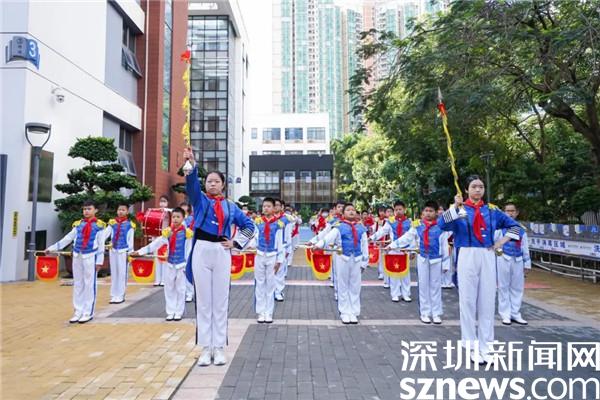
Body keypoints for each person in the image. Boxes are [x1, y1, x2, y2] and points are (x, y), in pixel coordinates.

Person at [183, 148, 255, 367]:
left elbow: (249, 226)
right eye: (209, 181)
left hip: (222, 251)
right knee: (204, 301)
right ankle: (206, 348)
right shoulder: (199, 201)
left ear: (223, 184)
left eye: (216, 181)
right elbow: (191, 185)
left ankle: (220, 347)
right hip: (201, 250)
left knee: (221, 301)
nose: (212, 184)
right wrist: (192, 165)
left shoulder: (231, 206)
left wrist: (236, 243)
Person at [438, 175, 520, 364]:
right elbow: (442, 225)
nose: (478, 189)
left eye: (481, 186)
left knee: (487, 301)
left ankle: (487, 346)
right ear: (466, 189)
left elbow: (515, 227)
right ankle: (471, 345)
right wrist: (454, 206)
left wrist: (500, 242)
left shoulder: (491, 211)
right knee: (467, 301)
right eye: (474, 186)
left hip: (487, 253)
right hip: (466, 254)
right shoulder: (459, 210)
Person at [388, 201, 450, 324]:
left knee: (436, 287)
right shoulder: (417, 226)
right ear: (422, 213)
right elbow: (406, 237)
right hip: (422, 258)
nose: (428, 213)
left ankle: (436, 313)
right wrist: (392, 245)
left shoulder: (440, 227)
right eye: (426, 211)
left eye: (431, 211)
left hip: (436, 260)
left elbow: (444, 246)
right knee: (423, 286)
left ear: (436, 213)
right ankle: (425, 313)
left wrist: (446, 264)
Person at [46, 200, 107, 324]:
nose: (86, 211)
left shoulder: (100, 226)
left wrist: (99, 261)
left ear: (95, 210)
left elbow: (101, 245)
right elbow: (67, 239)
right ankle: (78, 311)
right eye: (84, 209)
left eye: (89, 209)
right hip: (77, 255)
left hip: (90, 256)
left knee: (89, 284)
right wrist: (52, 248)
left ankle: (88, 312)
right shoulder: (78, 225)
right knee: (78, 284)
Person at [131, 207, 193, 321]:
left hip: (182, 265)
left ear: (183, 218)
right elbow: (155, 244)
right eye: (173, 217)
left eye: (178, 217)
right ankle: (170, 311)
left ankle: (179, 312)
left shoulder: (187, 234)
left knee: (181, 289)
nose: (175, 219)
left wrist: (188, 266)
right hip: (169, 264)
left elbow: (190, 251)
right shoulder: (167, 233)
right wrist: (140, 252)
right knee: (169, 288)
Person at [314, 203, 368, 324]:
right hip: (343, 258)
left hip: (357, 259)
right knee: (342, 285)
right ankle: (344, 312)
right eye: (348, 210)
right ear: (343, 214)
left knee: (355, 286)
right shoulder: (339, 226)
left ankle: (354, 312)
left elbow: (364, 245)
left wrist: (365, 262)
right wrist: (318, 245)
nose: (351, 212)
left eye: (353, 210)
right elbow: (328, 237)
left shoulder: (361, 228)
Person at [495, 202, 531, 326]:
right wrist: (499, 256)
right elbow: (494, 244)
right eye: (508, 211)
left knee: (517, 287)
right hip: (503, 259)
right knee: (503, 287)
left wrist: (527, 263)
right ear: (503, 213)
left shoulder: (521, 229)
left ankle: (515, 313)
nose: (510, 213)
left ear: (516, 213)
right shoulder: (499, 228)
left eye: (512, 211)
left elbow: (525, 247)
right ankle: (505, 314)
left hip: (518, 260)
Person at [371, 201, 413, 302]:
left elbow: (413, 237)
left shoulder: (410, 222)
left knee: (405, 274)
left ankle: (406, 294)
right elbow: (382, 232)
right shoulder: (390, 222)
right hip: (393, 250)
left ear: (404, 209)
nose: (398, 211)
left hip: (405, 250)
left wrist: (412, 251)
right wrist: (372, 238)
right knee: (394, 273)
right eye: (396, 210)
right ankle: (395, 294)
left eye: (400, 209)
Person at [253, 198, 285, 323]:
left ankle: (269, 312)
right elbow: (254, 238)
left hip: (272, 255)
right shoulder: (257, 222)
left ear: (273, 208)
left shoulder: (278, 224)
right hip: (260, 255)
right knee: (260, 284)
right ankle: (261, 312)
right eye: (264, 206)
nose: (266, 208)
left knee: (270, 285)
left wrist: (279, 260)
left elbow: (280, 244)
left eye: (268, 206)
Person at [308, 200, 345, 298]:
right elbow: (325, 233)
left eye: (343, 207)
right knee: (337, 271)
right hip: (337, 249)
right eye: (339, 207)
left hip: (350, 251)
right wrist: (313, 241)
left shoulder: (352, 221)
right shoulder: (333, 221)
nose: (341, 209)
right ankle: (338, 293)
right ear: (334, 209)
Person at [107, 203, 135, 304]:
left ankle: (120, 295)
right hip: (113, 250)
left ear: (127, 212)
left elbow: (130, 240)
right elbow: (105, 234)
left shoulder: (130, 225)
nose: (121, 212)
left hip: (123, 251)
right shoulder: (112, 223)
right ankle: (113, 295)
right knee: (114, 273)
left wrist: (130, 253)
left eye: (123, 210)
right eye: (119, 209)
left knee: (122, 273)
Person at [273, 199, 295, 301]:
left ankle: (278, 291)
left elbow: (288, 235)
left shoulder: (287, 219)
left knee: (280, 271)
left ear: (282, 207)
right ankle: (271, 291)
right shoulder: (268, 218)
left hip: (282, 247)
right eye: (274, 205)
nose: (275, 207)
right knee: (270, 271)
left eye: (277, 205)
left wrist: (288, 250)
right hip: (270, 248)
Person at [153, 194, 171, 287]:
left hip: (165, 237)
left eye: (164, 201)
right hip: (157, 236)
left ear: (167, 203)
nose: (162, 203)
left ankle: (164, 280)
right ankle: (157, 280)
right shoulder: (156, 212)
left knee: (164, 258)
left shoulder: (169, 212)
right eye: (161, 201)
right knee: (156, 258)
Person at [438, 204, 456, 289]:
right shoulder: (435, 220)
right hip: (439, 240)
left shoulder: (448, 218)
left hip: (448, 239)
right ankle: (441, 281)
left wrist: (451, 242)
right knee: (440, 260)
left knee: (449, 258)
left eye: (441, 209)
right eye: (438, 210)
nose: (440, 211)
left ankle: (449, 281)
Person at [180, 201, 195, 302]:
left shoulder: (201, 217)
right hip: (187, 245)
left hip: (199, 245)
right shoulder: (186, 219)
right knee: (187, 268)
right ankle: (189, 292)